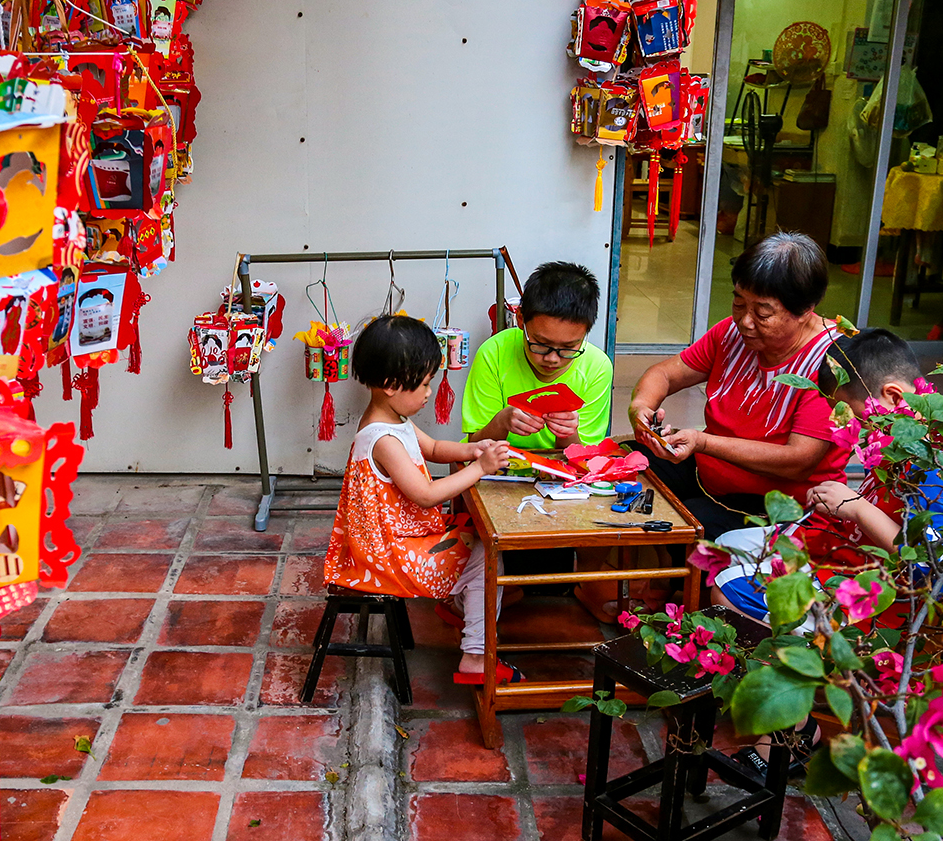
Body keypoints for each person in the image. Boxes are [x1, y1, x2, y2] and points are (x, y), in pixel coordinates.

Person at [708, 329, 943, 624]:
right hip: (846, 551)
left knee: (726, 590)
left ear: (893, 396)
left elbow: (934, 564)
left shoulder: (940, 460)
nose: (855, 426)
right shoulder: (903, 433)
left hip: (874, 592)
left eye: (856, 415)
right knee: (722, 548)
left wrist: (858, 508)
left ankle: (809, 658)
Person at [324, 315, 514, 682]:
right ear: (393, 385)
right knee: (486, 554)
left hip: (397, 541)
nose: (429, 392)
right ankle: (475, 656)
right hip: (389, 557)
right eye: (425, 384)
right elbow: (425, 496)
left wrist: (475, 449)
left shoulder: (395, 418)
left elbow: (435, 448)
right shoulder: (383, 439)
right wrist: (479, 470)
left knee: (477, 543)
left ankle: (462, 607)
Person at [630, 231, 847, 541]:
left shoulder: (833, 361)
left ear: (805, 309)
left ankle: (668, 584)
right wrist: (641, 407)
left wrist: (703, 442)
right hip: (712, 475)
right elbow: (665, 374)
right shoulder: (732, 334)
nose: (745, 321)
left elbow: (797, 461)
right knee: (631, 462)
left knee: (692, 524)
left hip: (784, 505)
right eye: (738, 302)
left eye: (762, 312)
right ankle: (632, 582)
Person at [463, 261, 612, 452]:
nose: (552, 358)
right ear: (520, 319)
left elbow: (583, 459)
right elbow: (474, 444)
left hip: (560, 471)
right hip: (494, 464)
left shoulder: (597, 367)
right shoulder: (494, 352)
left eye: (569, 347)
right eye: (541, 344)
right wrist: (502, 421)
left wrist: (568, 433)